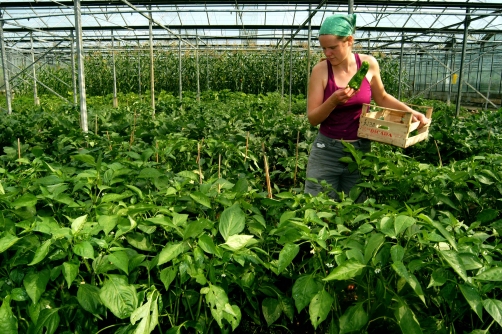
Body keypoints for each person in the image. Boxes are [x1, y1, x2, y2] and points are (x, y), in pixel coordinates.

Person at [304, 14, 430, 201]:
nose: (327, 53)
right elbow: (313, 119)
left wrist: (412, 113)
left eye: (332, 47)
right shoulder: (321, 70)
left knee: (355, 206)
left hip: (360, 149)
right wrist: (332, 101)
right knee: (317, 204)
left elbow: (382, 97)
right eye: (323, 48)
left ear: (349, 41)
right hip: (327, 150)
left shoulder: (368, 64)